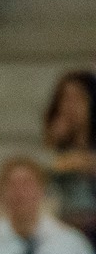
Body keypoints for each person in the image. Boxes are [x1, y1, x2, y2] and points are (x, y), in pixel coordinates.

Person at [42, 71, 96, 242]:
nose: (70, 106)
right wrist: (53, 141)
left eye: (78, 98)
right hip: (65, 226)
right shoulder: (59, 145)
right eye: (65, 99)